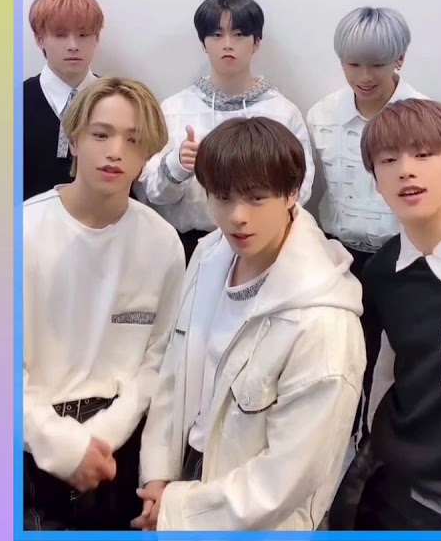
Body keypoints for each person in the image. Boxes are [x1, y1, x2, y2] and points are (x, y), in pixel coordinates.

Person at [132, 117, 366, 531]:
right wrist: (158, 475)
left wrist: (177, 511)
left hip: (257, 515)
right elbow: (175, 370)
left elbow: (290, 474)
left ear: (292, 193)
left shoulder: (322, 321)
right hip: (184, 474)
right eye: (222, 198)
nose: (237, 216)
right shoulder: (209, 255)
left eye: (256, 198)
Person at [22, 77, 186, 530]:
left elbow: (159, 360)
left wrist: (101, 438)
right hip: (29, 441)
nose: (115, 152)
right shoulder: (24, 231)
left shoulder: (162, 243)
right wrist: (64, 447)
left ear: (148, 154)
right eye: (101, 134)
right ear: (73, 140)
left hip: (119, 446)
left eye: (133, 140)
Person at [328, 98, 441, 531]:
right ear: (376, 180)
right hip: (401, 486)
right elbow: (378, 376)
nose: (406, 171)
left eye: (423, 155)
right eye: (389, 161)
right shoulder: (382, 273)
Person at [305, 5, 429, 443]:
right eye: (353, 64)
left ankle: (390, 451)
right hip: (338, 257)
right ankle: (342, 450)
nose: (364, 76)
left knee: (406, 363)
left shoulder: (425, 119)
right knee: (341, 360)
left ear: (400, 59)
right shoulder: (322, 115)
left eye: (377, 64)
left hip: (404, 256)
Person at [137, 0, 315, 263]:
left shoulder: (282, 112)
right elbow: (152, 193)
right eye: (217, 35)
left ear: (256, 42)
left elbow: (300, 189)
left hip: (264, 248)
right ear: (203, 43)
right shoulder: (174, 109)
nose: (228, 45)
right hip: (189, 248)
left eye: (239, 34)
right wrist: (178, 164)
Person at [24, 0, 105, 200]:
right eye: (60, 35)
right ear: (39, 39)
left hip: (106, 218)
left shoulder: (120, 101)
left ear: (96, 37)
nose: (73, 46)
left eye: (83, 35)